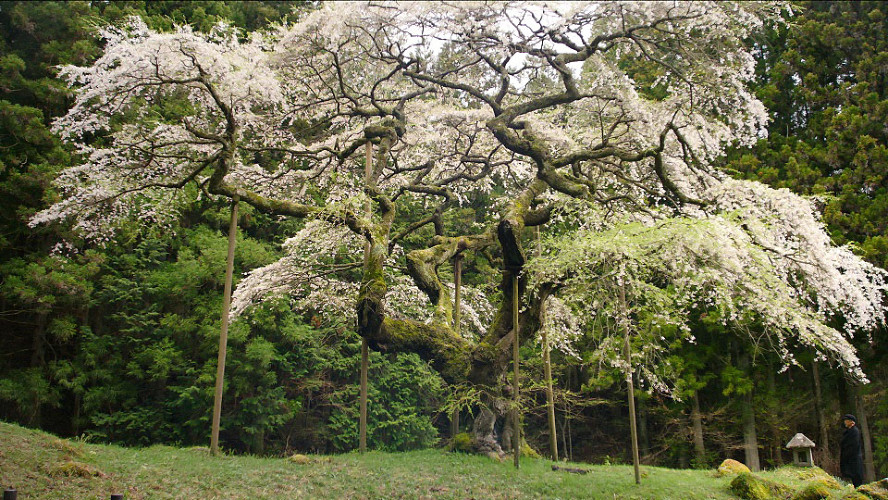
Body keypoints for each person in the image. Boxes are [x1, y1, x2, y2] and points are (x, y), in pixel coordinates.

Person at [840, 414, 864, 487]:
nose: (845, 422)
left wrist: (847, 454)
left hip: (854, 458)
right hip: (849, 458)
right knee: (851, 476)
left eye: (846, 421)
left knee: (856, 476)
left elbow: (854, 445)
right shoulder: (848, 431)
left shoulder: (854, 431)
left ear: (851, 422)